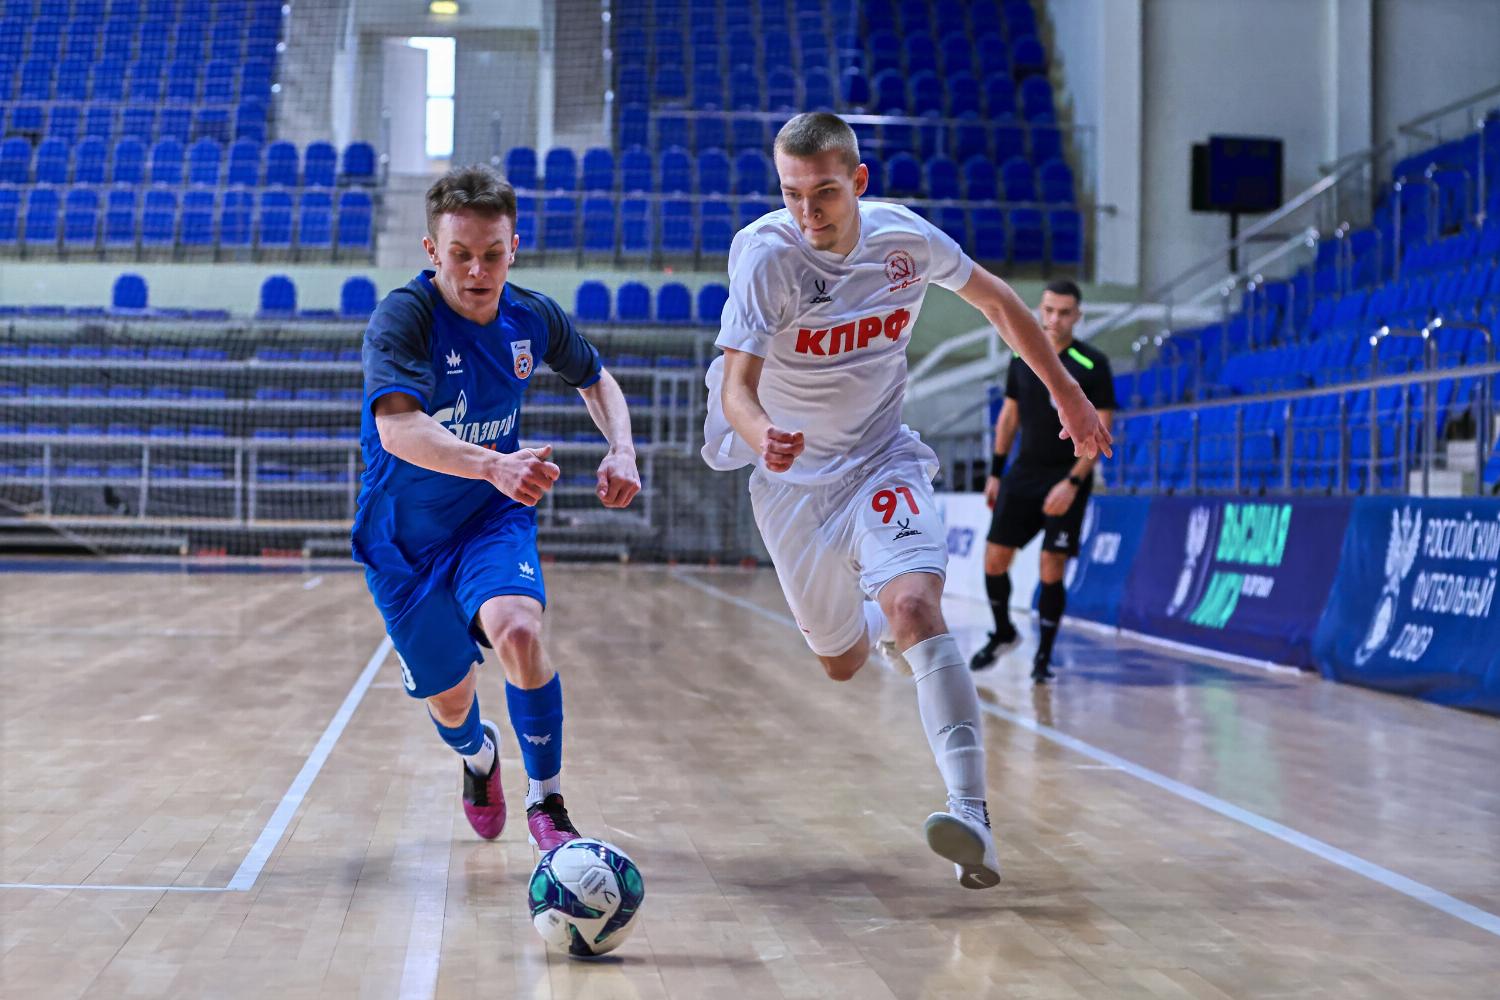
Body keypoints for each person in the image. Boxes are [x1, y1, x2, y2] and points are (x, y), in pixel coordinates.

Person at [701, 113, 1111, 889]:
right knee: (840, 662)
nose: (807, 212)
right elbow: (736, 389)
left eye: (825, 193)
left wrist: (1067, 392)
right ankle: (880, 628)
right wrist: (762, 435)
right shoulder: (766, 256)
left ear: (858, 181)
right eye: (791, 194)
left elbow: (999, 302)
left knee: (918, 607)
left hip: (880, 458)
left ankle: (971, 815)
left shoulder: (904, 240)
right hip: (790, 483)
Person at [352, 165, 641, 852]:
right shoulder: (405, 318)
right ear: (432, 251)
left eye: (492, 253)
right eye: (460, 255)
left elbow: (596, 378)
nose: (477, 271)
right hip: (404, 539)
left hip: (490, 516)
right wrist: (493, 463)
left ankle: (548, 804)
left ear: (515, 247)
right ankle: (478, 756)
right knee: (452, 703)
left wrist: (622, 449)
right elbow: (398, 429)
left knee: (517, 630)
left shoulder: (532, 317)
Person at [969, 280, 1116, 683]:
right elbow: (1009, 418)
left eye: (1064, 312)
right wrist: (996, 473)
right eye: (1049, 310)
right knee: (994, 558)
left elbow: (1102, 430)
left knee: (1051, 566)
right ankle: (1003, 632)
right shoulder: (1022, 356)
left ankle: (1043, 659)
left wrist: (1072, 483)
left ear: (1077, 316)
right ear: (1039, 310)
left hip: (1066, 475)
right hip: (1024, 472)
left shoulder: (1092, 364)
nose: (1055, 319)